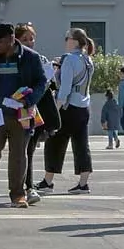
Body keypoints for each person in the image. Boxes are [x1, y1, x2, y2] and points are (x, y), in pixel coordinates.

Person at [0, 23, 46, 207]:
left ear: (10, 39)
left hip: (21, 114)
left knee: (18, 155)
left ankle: (17, 194)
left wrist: (30, 99)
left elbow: (42, 81)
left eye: (0, 41)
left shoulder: (30, 57)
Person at [40, 28, 96, 193]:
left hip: (68, 107)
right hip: (84, 107)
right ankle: (83, 183)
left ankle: (48, 182)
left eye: (67, 38)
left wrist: (56, 109)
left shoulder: (69, 59)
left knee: (55, 142)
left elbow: (64, 89)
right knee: (81, 144)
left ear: (75, 41)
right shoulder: (87, 59)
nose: (65, 41)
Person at [13, 24, 49, 205]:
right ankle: (18, 187)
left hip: (31, 109)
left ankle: (28, 187)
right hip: (13, 107)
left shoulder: (38, 59)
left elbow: (45, 84)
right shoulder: (11, 58)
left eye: (31, 38)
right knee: (17, 150)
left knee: (29, 149)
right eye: (25, 39)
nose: (29, 42)